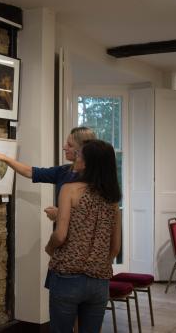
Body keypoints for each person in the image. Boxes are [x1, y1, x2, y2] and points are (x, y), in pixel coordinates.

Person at [45, 139, 122, 333]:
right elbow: (115, 247)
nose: (75, 158)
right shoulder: (112, 198)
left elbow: (60, 235)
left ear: (87, 163)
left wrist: (49, 248)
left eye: (78, 155)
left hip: (68, 276)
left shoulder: (70, 190)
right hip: (99, 281)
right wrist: (98, 262)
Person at [0, 126, 96, 219]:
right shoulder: (63, 171)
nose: (64, 147)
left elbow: (94, 217)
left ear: (82, 149)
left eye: (70, 145)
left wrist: (60, 216)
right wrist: (3, 157)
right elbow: (30, 172)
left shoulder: (95, 178)